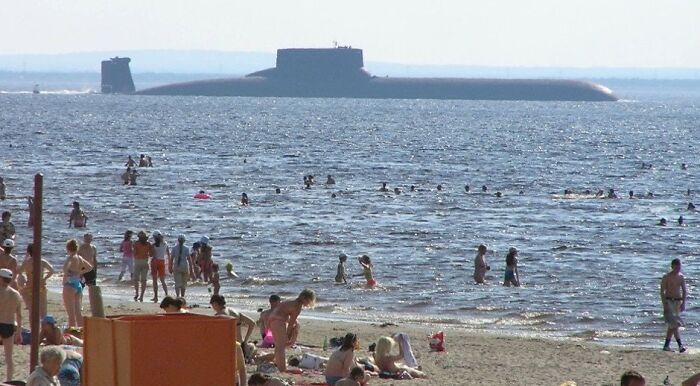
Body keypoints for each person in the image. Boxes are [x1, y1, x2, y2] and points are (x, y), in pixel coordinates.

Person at [268, 289, 316, 372]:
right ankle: (283, 369)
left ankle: (278, 363)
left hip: (272, 317)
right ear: (305, 298)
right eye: (308, 301)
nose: (308, 304)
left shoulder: (292, 300)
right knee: (281, 346)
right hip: (279, 320)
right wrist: (288, 334)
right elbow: (291, 322)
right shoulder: (298, 305)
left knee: (278, 344)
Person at [17, 244, 55, 318]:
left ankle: (33, 328)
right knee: (43, 311)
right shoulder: (42, 261)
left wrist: (26, 257)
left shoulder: (27, 262)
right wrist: (44, 279)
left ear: (29, 252)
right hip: (40, 287)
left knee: (32, 311)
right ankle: (43, 328)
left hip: (29, 287)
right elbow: (52, 270)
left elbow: (19, 271)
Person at [62, 239, 92, 327]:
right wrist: (80, 272)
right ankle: (82, 332)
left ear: (67, 248)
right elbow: (90, 267)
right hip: (78, 284)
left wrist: (67, 274)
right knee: (78, 313)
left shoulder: (70, 258)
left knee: (71, 315)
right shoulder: (79, 258)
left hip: (69, 285)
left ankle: (72, 334)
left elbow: (65, 269)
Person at [660, 258, 687, 352]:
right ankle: (680, 345)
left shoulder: (681, 277)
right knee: (674, 324)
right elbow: (662, 291)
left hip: (677, 302)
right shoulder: (666, 277)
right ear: (672, 267)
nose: (677, 269)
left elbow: (684, 291)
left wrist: (683, 303)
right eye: (676, 267)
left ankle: (666, 346)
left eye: (679, 267)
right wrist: (664, 304)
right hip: (669, 301)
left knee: (672, 325)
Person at [0, 268, 22, 382]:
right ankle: (9, 380)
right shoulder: (16, 294)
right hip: (9, 325)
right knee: (9, 357)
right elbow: (19, 315)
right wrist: (19, 332)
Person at [150, 230, 170, 302]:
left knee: (155, 281)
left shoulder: (154, 245)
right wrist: (170, 263)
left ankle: (156, 296)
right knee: (162, 280)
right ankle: (167, 295)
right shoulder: (165, 244)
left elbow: (152, 255)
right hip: (162, 261)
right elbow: (168, 254)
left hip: (155, 261)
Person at [132, 231, 152, 302]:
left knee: (136, 279)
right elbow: (151, 254)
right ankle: (141, 296)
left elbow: (134, 253)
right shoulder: (148, 244)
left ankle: (137, 293)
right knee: (144, 280)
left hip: (137, 261)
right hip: (145, 262)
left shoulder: (136, 243)